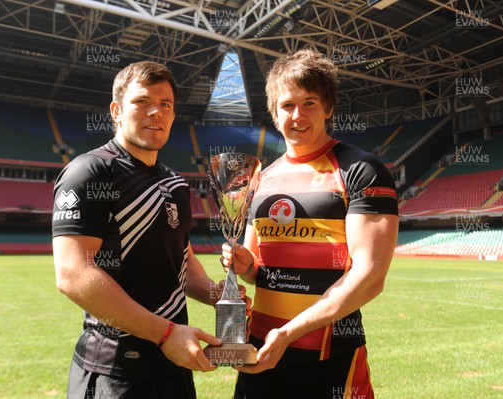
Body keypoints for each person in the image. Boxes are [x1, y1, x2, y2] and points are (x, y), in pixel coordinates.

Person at [52, 61, 248, 399]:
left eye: (165, 104)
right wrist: (165, 333)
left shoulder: (175, 184)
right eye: (141, 101)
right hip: (115, 373)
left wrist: (219, 296)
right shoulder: (91, 171)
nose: (155, 111)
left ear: (173, 116)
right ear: (116, 110)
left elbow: (182, 264)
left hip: (172, 367)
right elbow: (73, 274)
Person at [220, 49, 399, 398]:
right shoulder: (261, 178)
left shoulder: (360, 170)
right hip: (260, 351)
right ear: (274, 113)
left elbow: (370, 278)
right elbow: (259, 270)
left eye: (310, 103)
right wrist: (246, 265)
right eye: (287, 105)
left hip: (329, 356)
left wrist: (289, 333)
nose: (297, 115)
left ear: (328, 108)